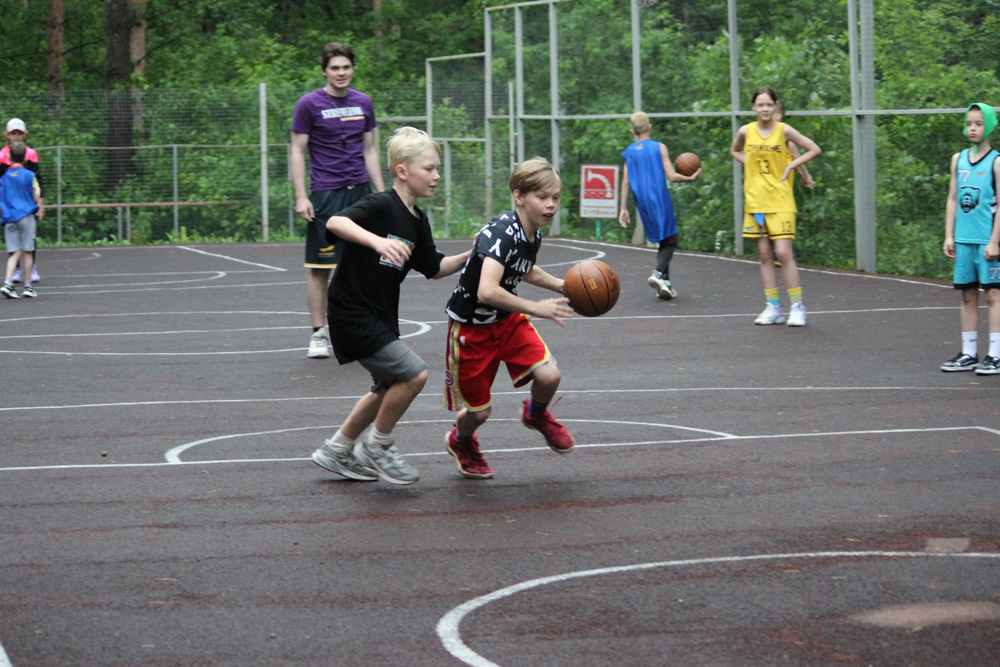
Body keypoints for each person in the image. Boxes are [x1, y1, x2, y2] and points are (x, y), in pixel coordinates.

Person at [310, 127, 470, 485]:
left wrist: (473, 255)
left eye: (437, 168)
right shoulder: (382, 205)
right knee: (413, 374)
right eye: (428, 168)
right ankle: (378, 445)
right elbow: (335, 222)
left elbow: (435, 267)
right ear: (402, 171)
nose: (436, 175)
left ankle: (337, 449)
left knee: (387, 383)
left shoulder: (418, 220)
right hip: (351, 311)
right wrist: (376, 241)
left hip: (379, 315)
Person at [442, 156, 577, 480]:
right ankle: (460, 441)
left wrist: (562, 284)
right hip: (471, 331)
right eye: (541, 197)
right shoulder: (502, 231)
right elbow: (487, 291)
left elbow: (523, 268)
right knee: (479, 413)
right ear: (519, 196)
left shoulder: (532, 233)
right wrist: (537, 307)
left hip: (506, 322)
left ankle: (536, 414)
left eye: (555, 198)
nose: (550, 205)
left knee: (549, 377)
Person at [291, 42, 385, 359]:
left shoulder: (363, 103)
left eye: (346, 67)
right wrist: (302, 196)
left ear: (352, 69)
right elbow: (297, 151)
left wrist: (384, 193)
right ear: (324, 70)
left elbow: (369, 150)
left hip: (360, 192)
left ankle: (359, 330)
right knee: (321, 267)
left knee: (364, 264)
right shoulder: (309, 104)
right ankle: (319, 334)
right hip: (326, 194)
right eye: (335, 68)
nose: (341, 73)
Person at [730, 86, 821, 327]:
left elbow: (814, 149)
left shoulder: (784, 130)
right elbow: (734, 150)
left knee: (783, 252)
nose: (765, 109)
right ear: (753, 107)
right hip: (756, 201)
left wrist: (793, 166)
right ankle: (773, 307)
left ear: (775, 106)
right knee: (764, 255)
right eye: (760, 105)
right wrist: (749, 164)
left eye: (769, 104)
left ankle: (797, 306)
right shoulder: (745, 131)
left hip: (780, 200)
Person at [940, 103, 1000, 374]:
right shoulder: (959, 159)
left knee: (993, 295)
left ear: (988, 126)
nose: (973, 128)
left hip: (987, 240)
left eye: (978, 123)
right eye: (969, 124)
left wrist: (995, 241)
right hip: (964, 239)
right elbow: (953, 198)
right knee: (966, 295)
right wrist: (949, 234)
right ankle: (968, 353)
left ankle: (996, 355)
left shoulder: (996, 162)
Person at [618, 111, 700, 300]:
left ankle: (666, 284)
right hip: (659, 197)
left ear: (632, 131)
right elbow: (671, 175)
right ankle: (657, 273)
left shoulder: (629, 152)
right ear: (650, 127)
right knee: (671, 239)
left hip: (642, 202)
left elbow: (625, 182)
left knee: (663, 239)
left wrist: (623, 208)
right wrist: (690, 177)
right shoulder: (659, 147)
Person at [771, 101, 814, 268]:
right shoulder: (760, 137)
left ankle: (782, 252)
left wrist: (806, 175)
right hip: (765, 189)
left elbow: (797, 158)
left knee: (780, 220)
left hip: (781, 188)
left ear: (778, 116)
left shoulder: (786, 139)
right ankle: (776, 251)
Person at [1, 119, 43, 284]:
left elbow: (37, 181)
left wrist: (40, 202)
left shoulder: (31, 154)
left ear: (24, 134)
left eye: (19, 133)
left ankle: (31, 269)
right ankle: (17, 270)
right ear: (8, 135)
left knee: (29, 239)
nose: (16, 136)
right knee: (13, 240)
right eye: (13, 133)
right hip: (10, 206)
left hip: (26, 206)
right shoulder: (2, 156)